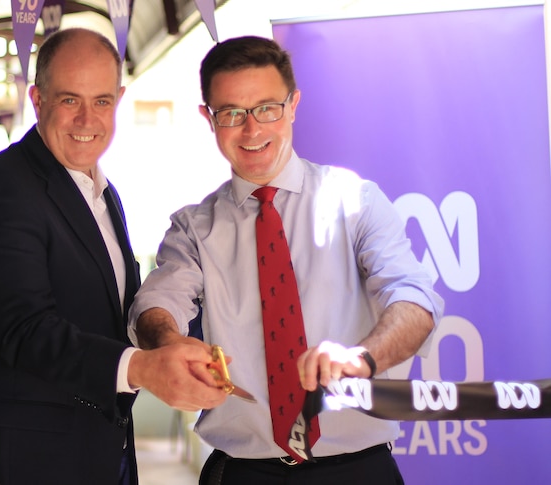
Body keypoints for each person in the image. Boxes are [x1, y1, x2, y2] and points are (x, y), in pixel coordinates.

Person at [129, 36, 445, 485]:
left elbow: (414, 299)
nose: (252, 130)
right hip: (243, 474)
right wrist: (169, 341)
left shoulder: (354, 200)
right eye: (232, 113)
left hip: (359, 471)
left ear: (293, 105)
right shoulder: (194, 229)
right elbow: (155, 306)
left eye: (267, 108)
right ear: (209, 118)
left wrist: (362, 358)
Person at [0, 28, 227, 485]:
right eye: (70, 100)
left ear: (119, 99)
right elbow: (26, 331)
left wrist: (169, 340)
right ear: (37, 98)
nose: (88, 118)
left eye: (102, 101)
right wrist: (143, 369)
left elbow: (105, 314)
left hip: (96, 449)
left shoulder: (102, 193)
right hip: (13, 462)